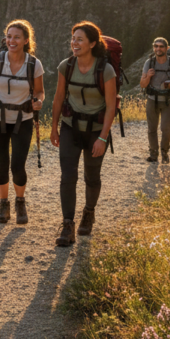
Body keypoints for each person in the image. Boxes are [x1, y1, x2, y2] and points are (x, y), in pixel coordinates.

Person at [50, 21, 116, 247]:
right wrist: (54, 127)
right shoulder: (66, 66)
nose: (74, 43)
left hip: (96, 130)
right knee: (68, 176)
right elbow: (59, 98)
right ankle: (68, 224)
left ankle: (89, 213)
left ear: (92, 43)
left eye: (80, 39)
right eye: (73, 39)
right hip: (70, 127)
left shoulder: (105, 70)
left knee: (92, 176)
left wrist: (103, 138)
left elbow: (111, 106)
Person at [0, 20, 44, 225]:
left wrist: (39, 101)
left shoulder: (34, 64)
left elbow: (40, 91)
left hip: (23, 120)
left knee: (18, 165)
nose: (11, 41)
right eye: (9, 36)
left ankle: (20, 201)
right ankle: (4, 204)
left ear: (26, 40)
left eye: (16, 37)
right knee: (1, 163)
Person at [140, 37, 170, 164]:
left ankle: (165, 152)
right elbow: (142, 84)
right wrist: (148, 76)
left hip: (167, 101)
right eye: (156, 46)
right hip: (152, 100)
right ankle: (153, 154)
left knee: (165, 128)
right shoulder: (149, 63)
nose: (158, 49)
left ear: (167, 48)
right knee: (151, 129)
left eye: (161, 46)